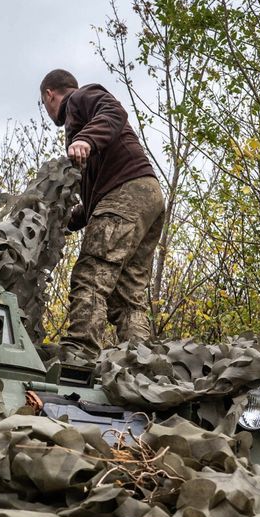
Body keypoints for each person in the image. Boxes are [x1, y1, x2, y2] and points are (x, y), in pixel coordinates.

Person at [39, 69, 165, 361]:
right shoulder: (87, 131)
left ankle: (80, 351)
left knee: (91, 274)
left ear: (49, 94)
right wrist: (65, 221)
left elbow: (113, 110)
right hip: (147, 197)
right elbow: (97, 201)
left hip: (126, 194)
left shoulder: (80, 98)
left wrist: (86, 139)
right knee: (127, 295)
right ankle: (139, 360)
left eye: (44, 104)